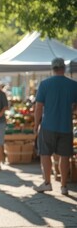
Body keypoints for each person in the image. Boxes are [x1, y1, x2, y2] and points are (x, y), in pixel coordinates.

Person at [33, 57, 77, 195]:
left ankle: (47, 183)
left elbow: (39, 106)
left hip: (48, 125)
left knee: (45, 154)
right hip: (66, 126)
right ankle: (64, 186)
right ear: (64, 68)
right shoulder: (73, 85)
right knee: (65, 156)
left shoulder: (45, 84)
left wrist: (36, 124)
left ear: (52, 69)